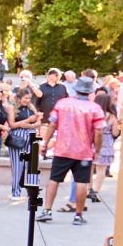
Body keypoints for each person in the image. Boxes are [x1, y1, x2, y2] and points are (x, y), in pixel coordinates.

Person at [41, 78, 105, 224]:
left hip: (62, 149)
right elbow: (99, 131)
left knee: (54, 179)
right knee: (81, 182)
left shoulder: (62, 104)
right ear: (91, 91)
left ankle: (47, 210)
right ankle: (78, 215)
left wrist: (45, 142)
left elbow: (52, 124)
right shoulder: (94, 108)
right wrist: (97, 150)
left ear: (76, 89)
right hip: (84, 152)